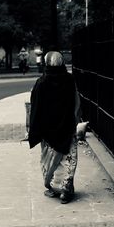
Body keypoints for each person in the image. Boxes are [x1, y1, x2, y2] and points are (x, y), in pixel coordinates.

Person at [28, 51, 81, 204]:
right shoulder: (70, 80)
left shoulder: (41, 82)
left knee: (51, 160)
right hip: (67, 128)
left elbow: (36, 108)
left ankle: (52, 187)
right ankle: (65, 189)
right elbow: (77, 103)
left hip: (48, 131)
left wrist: (34, 131)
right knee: (67, 160)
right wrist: (74, 121)